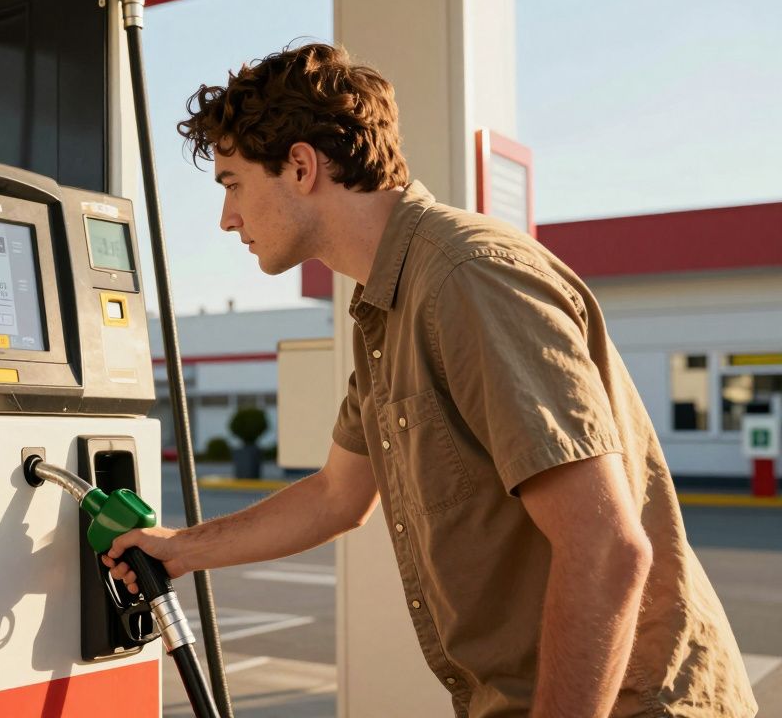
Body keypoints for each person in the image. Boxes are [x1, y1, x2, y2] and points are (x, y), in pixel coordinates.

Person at [102, 42, 757, 717]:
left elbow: (607, 548)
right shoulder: (387, 308)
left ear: (299, 166)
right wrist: (179, 549)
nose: (227, 218)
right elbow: (336, 496)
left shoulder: (467, 279)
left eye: (233, 183)